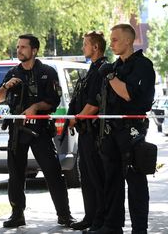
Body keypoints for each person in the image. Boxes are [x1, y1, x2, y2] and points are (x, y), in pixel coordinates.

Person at [0, 34, 76, 228]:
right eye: (18, 46)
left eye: (23, 47)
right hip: (18, 130)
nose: (19, 50)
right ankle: (17, 214)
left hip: (40, 130)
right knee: (15, 174)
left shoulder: (47, 72)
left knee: (53, 172)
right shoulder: (13, 73)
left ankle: (64, 215)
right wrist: (6, 86)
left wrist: (36, 107)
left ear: (34, 50)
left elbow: (54, 101)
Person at [89, 24, 155, 234]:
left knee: (135, 182)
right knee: (112, 181)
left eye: (116, 39)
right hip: (111, 132)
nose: (112, 43)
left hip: (132, 131)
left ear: (128, 41)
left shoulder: (143, 65)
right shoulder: (115, 66)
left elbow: (128, 94)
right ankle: (112, 225)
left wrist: (110, 77)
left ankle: (139, 229)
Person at [67, 31, 107, 231]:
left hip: (95, 134)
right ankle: (90, 216)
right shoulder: (92, 69)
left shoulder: (102, 70)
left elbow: (93, 105)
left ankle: (99, 220)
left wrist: (77, 118)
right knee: (86, 177)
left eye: (85, 44)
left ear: (96, 47)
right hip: (85, 133)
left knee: (96, 177)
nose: (83, 48)